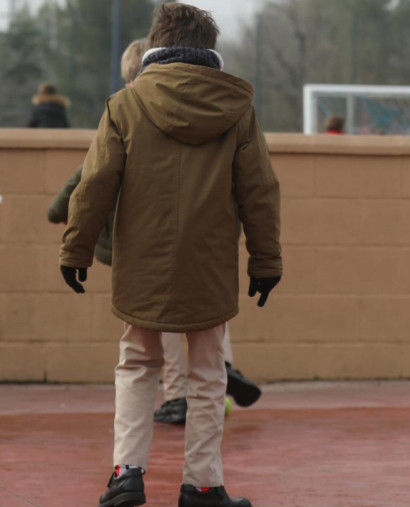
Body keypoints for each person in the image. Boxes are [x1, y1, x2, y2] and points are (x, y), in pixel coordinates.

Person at [60, 2, 282, 507]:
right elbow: (260, 191)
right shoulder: (238, 109)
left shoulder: (125, 105)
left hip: (144, 261)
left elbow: (94, 185)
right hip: (209, 265)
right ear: (210, 50)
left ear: (156, 44)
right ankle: (203, 488)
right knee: (208, 373)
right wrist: (265, 261)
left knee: (137, 363)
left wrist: (75, 249)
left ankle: (126, 472)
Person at [45, 38, 261, 427]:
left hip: (139, 243)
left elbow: (89, 178)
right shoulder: (227, 113)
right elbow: (258, 189)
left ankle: (172, 402)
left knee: (152, 332)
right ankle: (222, 376)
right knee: (210, 320)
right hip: (203, 244)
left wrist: (65, 225)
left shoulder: (126, 109)